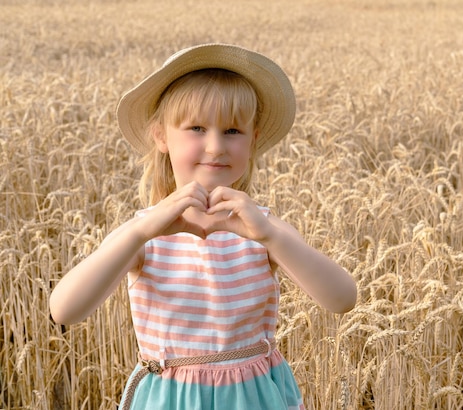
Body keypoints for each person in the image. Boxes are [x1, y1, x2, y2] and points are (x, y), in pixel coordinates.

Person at [49, 43, 357, 410]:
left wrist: (270, 235)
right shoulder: (145, 235)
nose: (215, 147)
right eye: (196, 128)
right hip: (170, 398)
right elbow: (64, 311)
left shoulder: (263, 229)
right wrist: (139, 234)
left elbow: (343, 299)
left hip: (254, 398)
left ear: (253, 139)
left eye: (232, 131)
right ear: (161, 136)